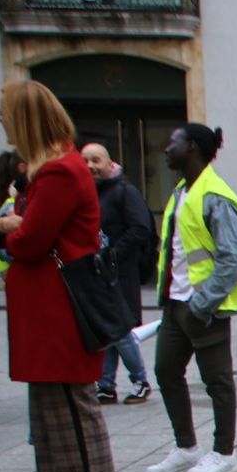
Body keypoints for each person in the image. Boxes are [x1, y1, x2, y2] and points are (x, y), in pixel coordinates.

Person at [0, 80, 122, 472]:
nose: (2, 122)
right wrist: (15, 226)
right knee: (49, 415)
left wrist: (7, 227)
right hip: (47, 309)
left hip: (63, 308)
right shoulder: (47, 171)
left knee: (72, 411)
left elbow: (30, 241)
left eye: (4, 114)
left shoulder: (61, 173)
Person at [142, 124, 237, 472]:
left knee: (217, 381)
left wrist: (202, 304)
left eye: (174, 143)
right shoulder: (183, 191)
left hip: (202, 306)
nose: (166, 149)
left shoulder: (215, 194)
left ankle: (224, 453)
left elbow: (232, 257)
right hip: (176, 304)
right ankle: (186, 448)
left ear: (192, 148)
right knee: (166, 370)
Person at [80, 141, 154, 405]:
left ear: (109, 163)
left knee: (121, 331)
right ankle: (106, 384)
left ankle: (139, 381)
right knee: (107, 330)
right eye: (85, 160)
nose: (90, 166)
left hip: (119, 274)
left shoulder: (124, 191)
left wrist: (113, 254)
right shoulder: (87, 192)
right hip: (98, 273)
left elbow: (140, 227)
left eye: (96, 160)